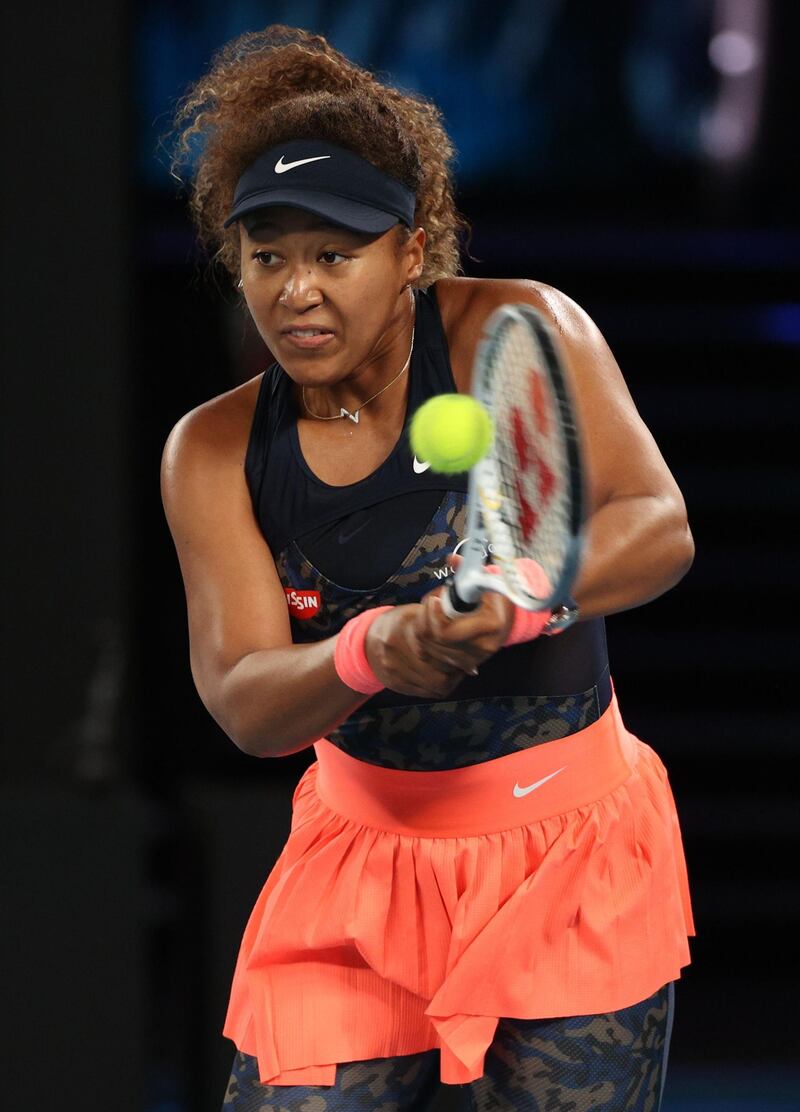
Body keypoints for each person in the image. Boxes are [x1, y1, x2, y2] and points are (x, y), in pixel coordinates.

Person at [162, 25, 695, 1112]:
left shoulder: (522, 322)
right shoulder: (211, 449)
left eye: (334, 252)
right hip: (355, 870)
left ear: (411, 252)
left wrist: (523, 592)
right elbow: (245, 701)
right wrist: (373, 648)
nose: (296, 290)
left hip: (569, 856)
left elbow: (657, 526)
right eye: (268, 256)